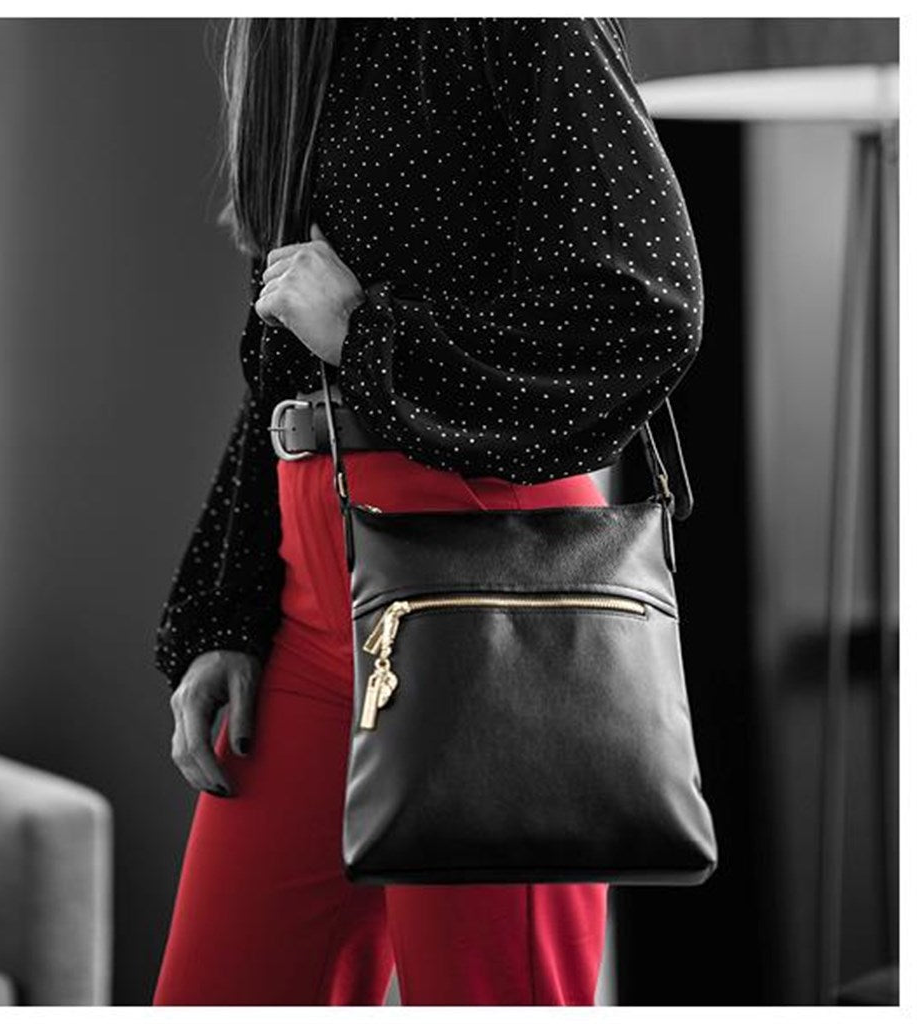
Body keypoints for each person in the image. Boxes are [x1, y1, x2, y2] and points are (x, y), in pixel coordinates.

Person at [151, 16, 703, 1006]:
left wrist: (367, 335)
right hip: (311, 600)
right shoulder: (287, 38)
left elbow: (647, 306)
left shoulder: (515, 22)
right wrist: (228, 610)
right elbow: (284, 358)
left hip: (489, 584)